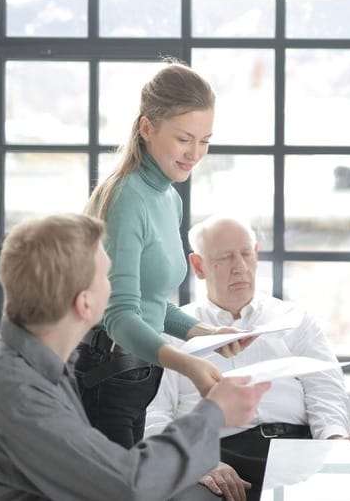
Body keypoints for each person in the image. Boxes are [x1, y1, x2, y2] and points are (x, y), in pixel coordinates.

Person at [0, 214, 270, 500]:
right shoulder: (16, 390)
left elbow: (106, 470)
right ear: (85, 304)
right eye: (108, 277)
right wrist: (214, 413)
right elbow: (128, 486)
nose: (120, 288)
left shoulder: (38, 364)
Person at [76, 60, 246, 448]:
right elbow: (119, 316)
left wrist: (206, 334)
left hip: (137, 373)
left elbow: (150, 302)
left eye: (205, 140)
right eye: (184, 138)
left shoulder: (169, 196)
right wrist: (187, 363)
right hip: (107, 375)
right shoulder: (127, 198)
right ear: (147, 127)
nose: (195, 153)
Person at [145, 215, 350, 501]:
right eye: (225, 257)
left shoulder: (294, 319)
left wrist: (333, 439)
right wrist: (195, 462)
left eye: (246, 254)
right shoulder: (174, 332)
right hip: (216, 455)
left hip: (297, 448)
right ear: (198, 266)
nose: (240, 267)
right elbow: (155, 414)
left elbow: (326, 388)